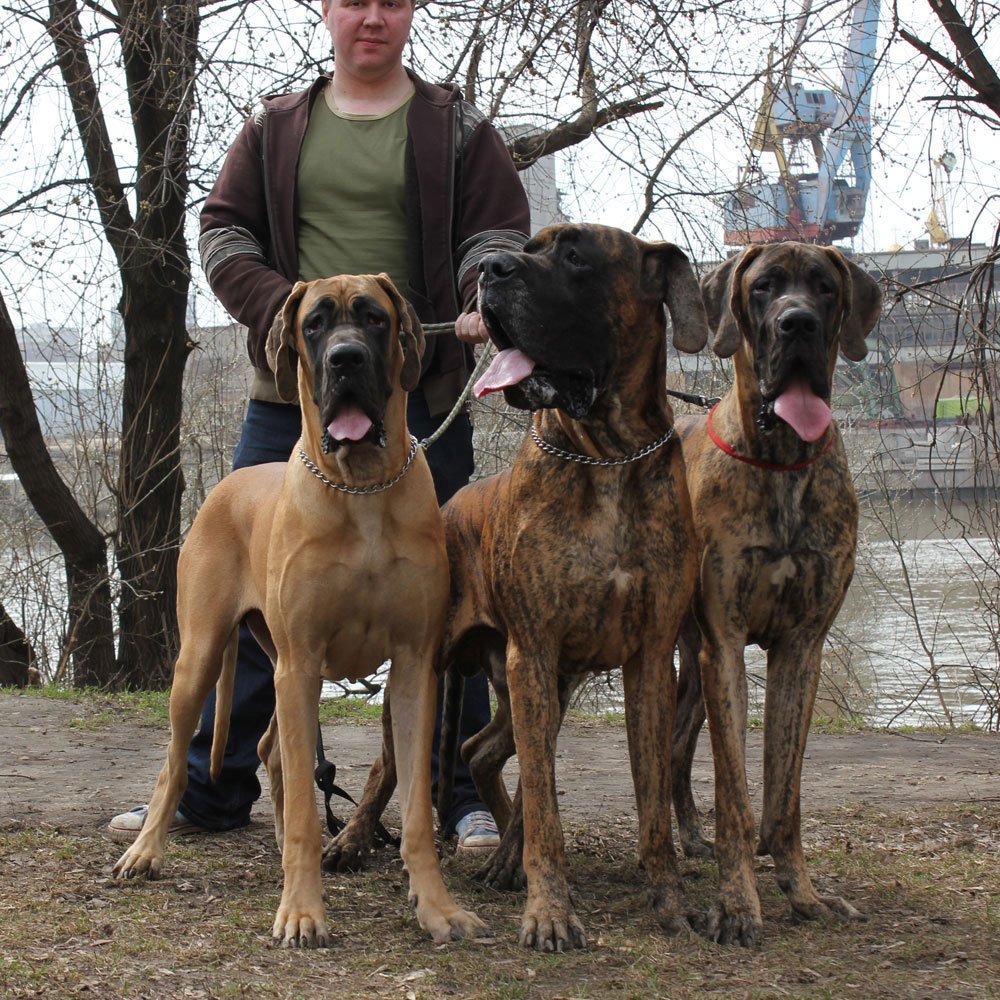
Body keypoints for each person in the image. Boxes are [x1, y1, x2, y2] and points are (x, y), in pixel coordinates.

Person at [108, 0, 530, 852]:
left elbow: (496, 229)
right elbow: (223, 233)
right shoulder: (274, 126)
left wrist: (482, 289)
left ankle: (456, 799)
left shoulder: (458, 126)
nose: (371, 16)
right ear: (328, 12)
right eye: (352, 0)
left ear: (409, 11)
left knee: (453, 612)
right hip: (287, 402)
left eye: (391, 0)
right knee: (253, 614)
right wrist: (289, 320)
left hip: (417, 398)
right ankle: (213, 790)